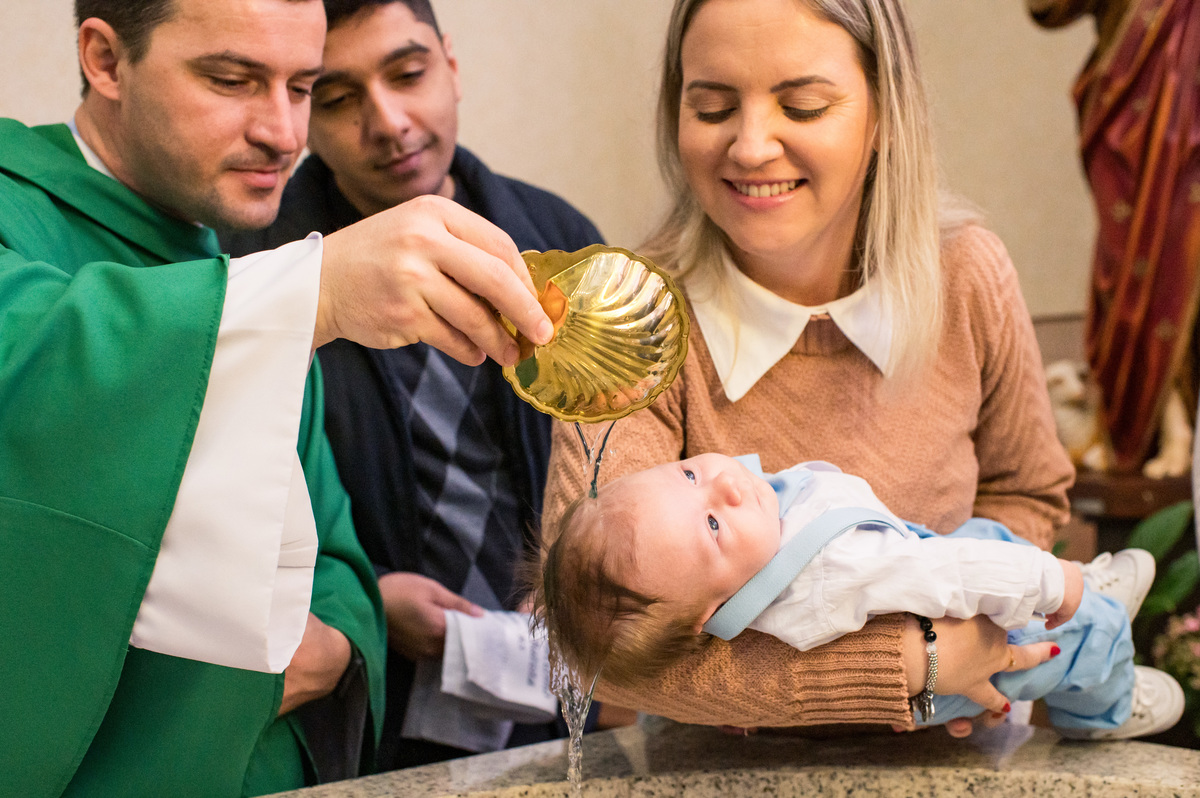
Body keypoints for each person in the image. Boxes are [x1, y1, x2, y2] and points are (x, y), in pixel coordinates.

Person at [0, 0, 560, 794]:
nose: (285, 134)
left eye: (302, 87)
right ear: (106, 60)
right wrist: (312, 290)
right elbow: (26, 370)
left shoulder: (233, 264)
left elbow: (328, 549)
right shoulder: (22, 214)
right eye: (232, 80)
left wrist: (340, 639)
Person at [541, 0, 1091, 735]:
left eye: (801, 105)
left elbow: (1028, 491)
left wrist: (979, 631)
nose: (751, 146)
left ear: (884, 113)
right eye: (711, 107)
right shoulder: (625, 324)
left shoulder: (966, 272)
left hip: (959, 756)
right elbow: (599, 640)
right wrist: (914, 663)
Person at [223, 0, 604, 770]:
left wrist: (586, 564)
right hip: (369, 721)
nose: (389, 121)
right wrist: (363, 599)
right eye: (335, 96)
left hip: (575, 701)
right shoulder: (257, 274)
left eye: (408, 73)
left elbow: (624, 442)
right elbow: (229, 515)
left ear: (451, 65)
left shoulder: (560, 234)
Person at [537, 451, 1185, 739]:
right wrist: (1053, 581)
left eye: (687, 472)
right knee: (1066, 643)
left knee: (989, 535)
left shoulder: (750, 538)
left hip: (928, 556)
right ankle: (1106, 705)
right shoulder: (825, 571)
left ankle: (1086, 597)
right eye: (712, 525)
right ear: (712, 611)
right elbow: (948, 573)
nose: (725, 485)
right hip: (950, 618)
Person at [1027, 0, 1200, 477]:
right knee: (1136, 267)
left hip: (1177, 65)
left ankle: (1178, 427)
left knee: (1175, 261)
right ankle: (1160, 425)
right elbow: (1046, 9)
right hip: (1126, 78)